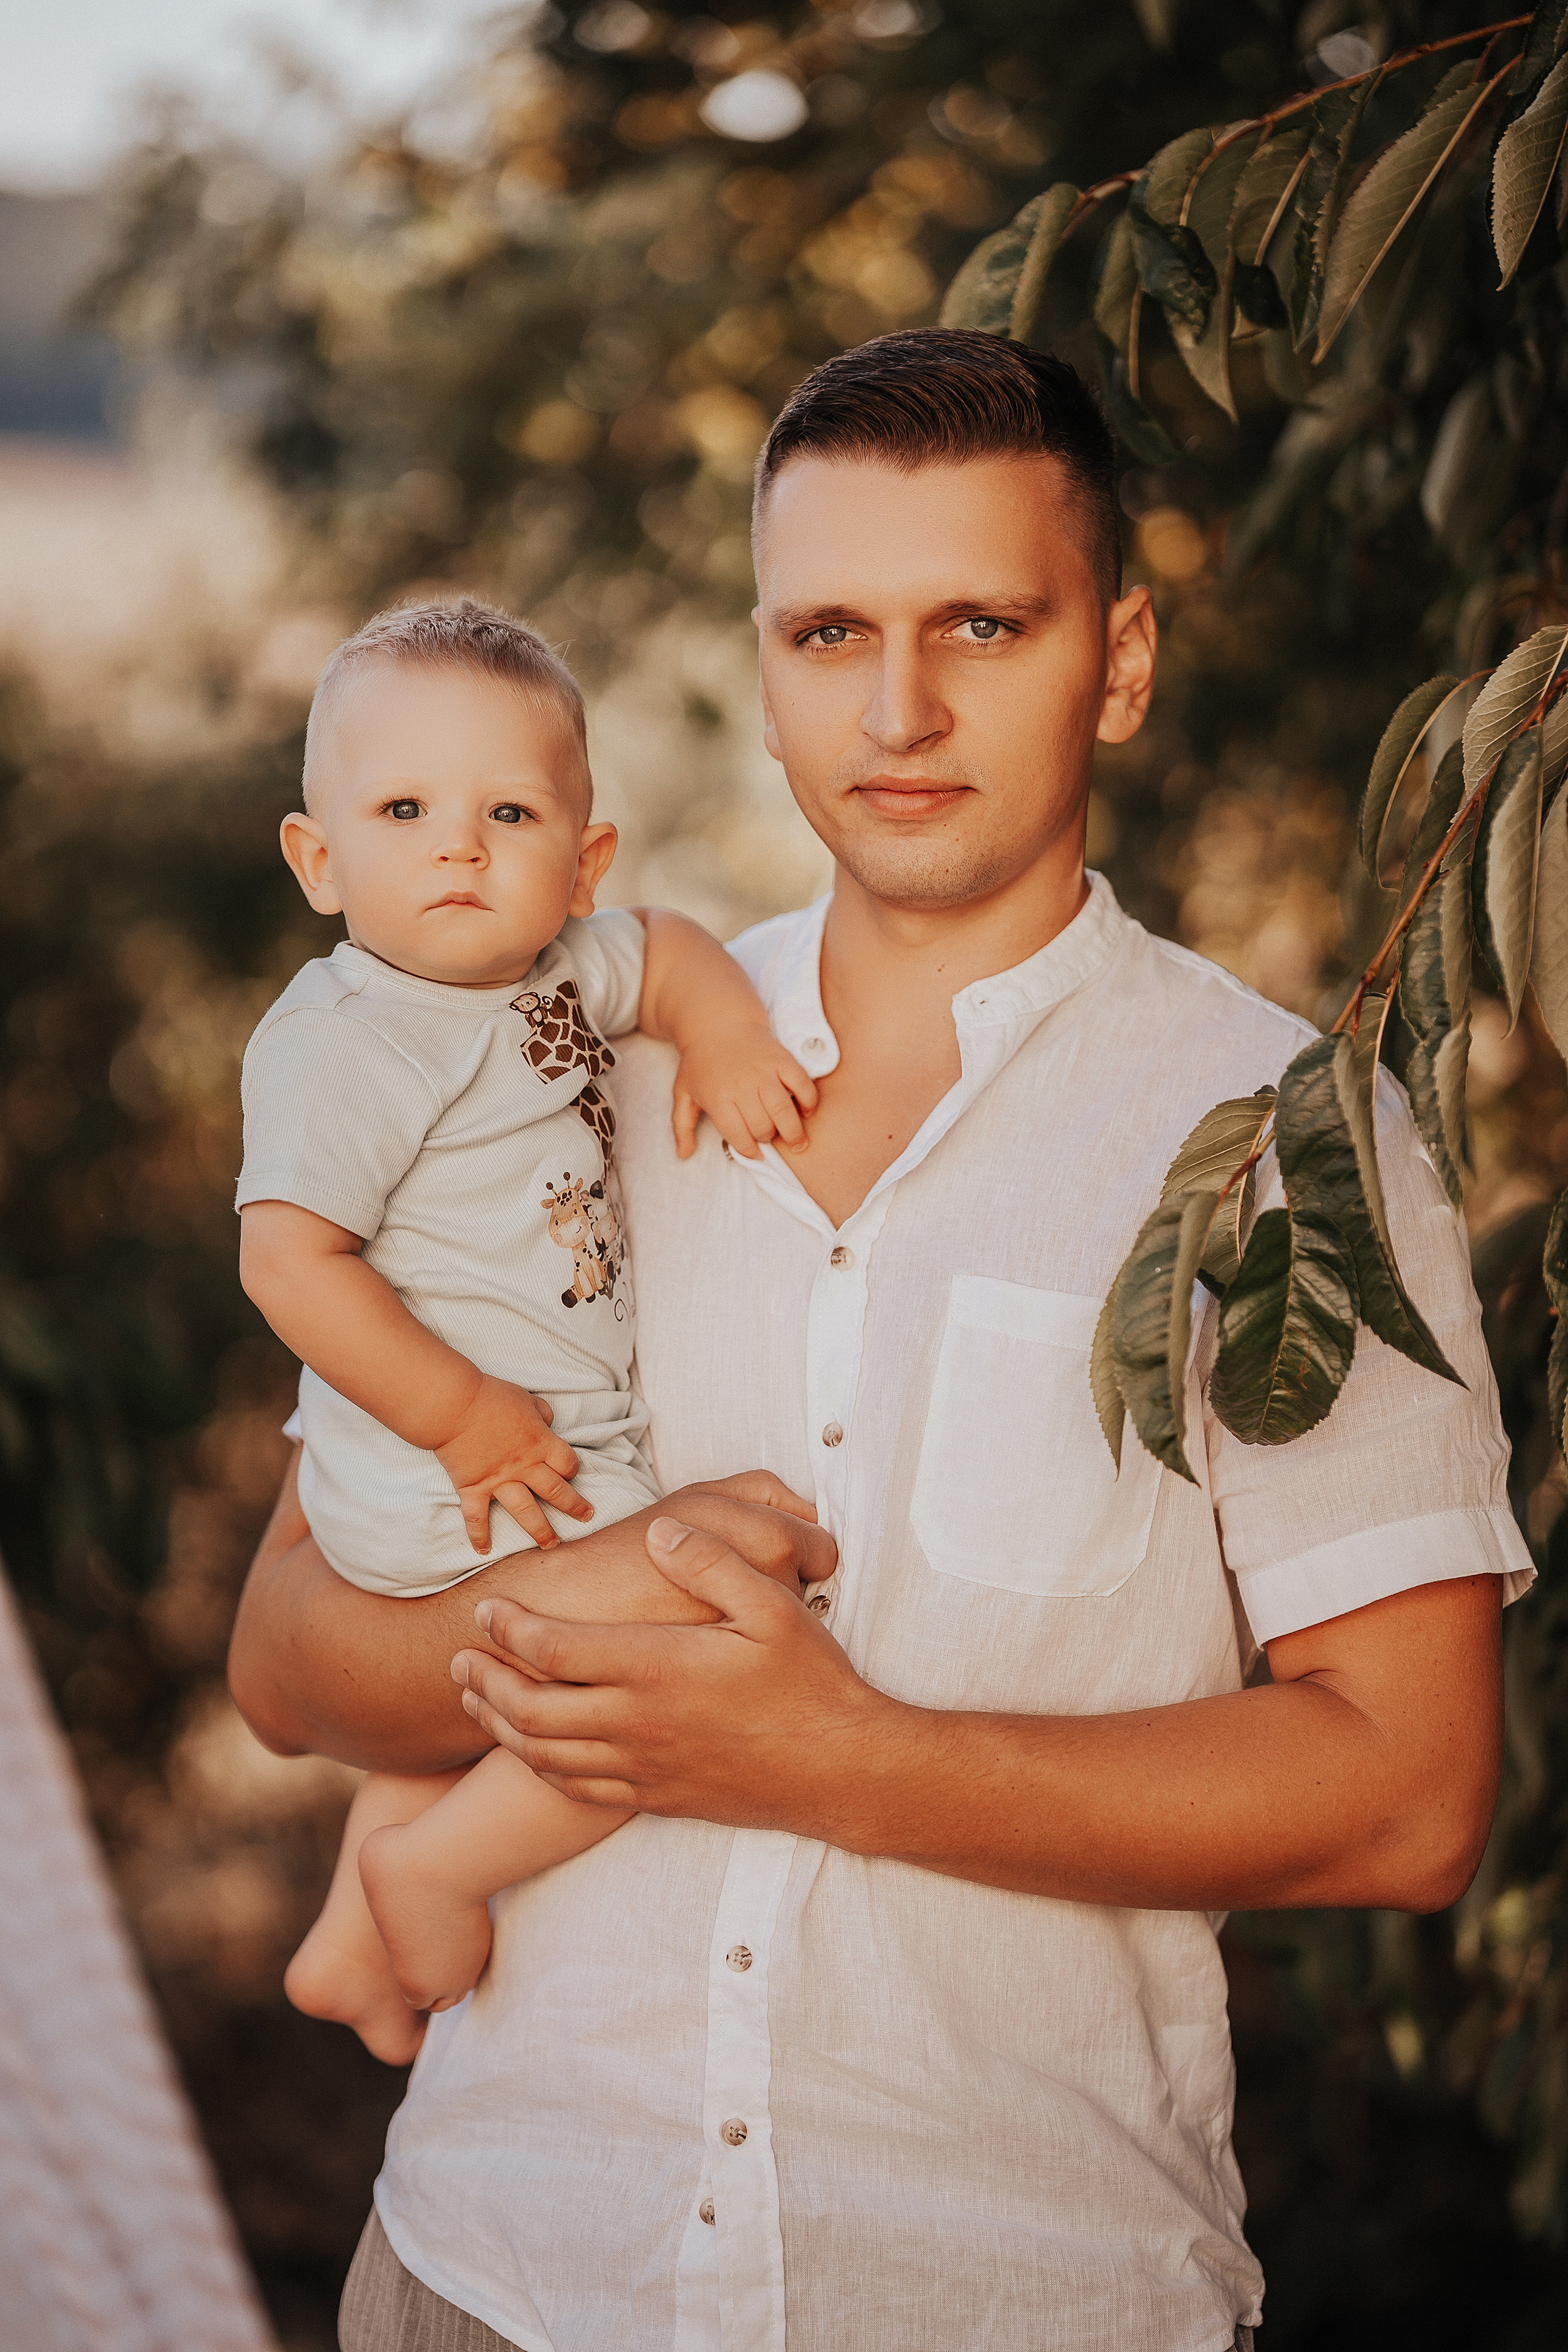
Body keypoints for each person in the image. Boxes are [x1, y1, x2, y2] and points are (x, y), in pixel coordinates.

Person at [229, 328, 1533, 2352]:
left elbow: (1408, 1793)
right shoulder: (550, 1072)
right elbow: (291, 1657)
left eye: (984, 625)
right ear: (764, 662)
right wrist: (607, 1633)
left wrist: (844, 1762)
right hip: (496, 2271)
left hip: (1012, 2295)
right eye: (831, 628)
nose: (899, 708)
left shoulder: (1289, 1142)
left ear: (1117, 657)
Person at [237, 598, 820, 2064]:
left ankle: (353, 1948)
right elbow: (288, 1265)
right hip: (467, 1456)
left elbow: (673, 953)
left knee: (487, 1705)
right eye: (404, 808)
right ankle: (436, 1866)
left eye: (508, 810)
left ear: (582, 857)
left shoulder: (562, 967)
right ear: (320, 859)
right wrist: (459, 1416)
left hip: (505, 1443)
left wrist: (729, 1034)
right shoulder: (350, 1035)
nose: (459, 845)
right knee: (671, 1646)